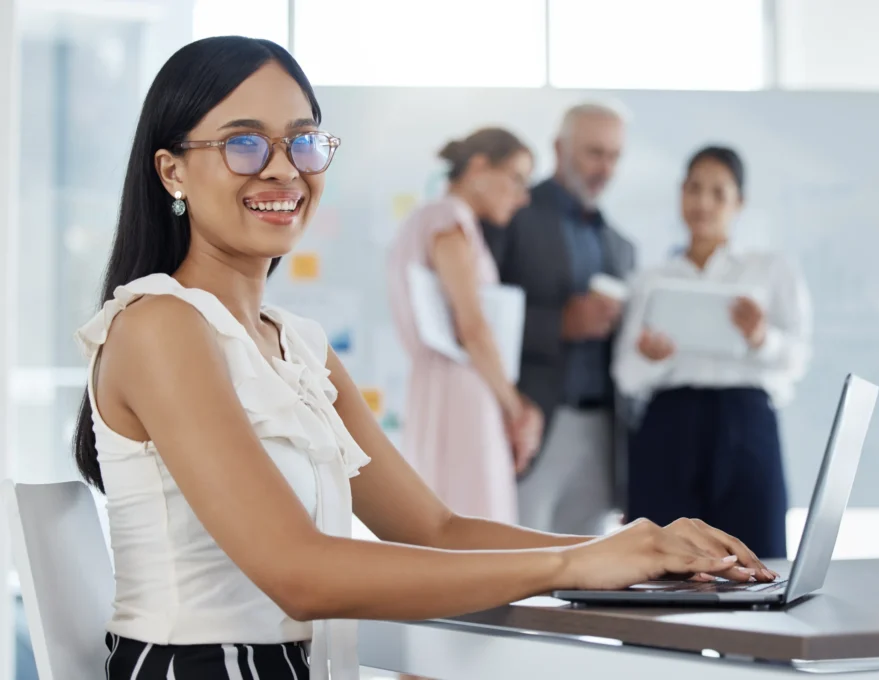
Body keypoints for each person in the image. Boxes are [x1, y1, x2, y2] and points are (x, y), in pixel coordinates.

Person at [72, 38, 774, 679]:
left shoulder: (297, 343)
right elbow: (298, 571)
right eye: (244, 143)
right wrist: (574, 562)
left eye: (303, 142)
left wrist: (635, 553)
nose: (285, 169)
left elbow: (435, 529)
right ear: (172, 172)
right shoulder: (160, 324)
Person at [613, 146, 812, 559]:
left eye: (718, 193)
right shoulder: (652, 279)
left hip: (747, 426)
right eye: (694, 189)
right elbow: (625, 375)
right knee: (658, 566)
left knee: (757, 561)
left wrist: (761, 337)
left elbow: (797, 359)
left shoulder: (772, 270)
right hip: (668, 428)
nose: (703, 203)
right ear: (680, 194)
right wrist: (651, 358)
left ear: (739, 202)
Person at [484, 103, 635, 536]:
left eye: (614, 156)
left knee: (589, 569)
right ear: (558, 148)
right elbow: (475, 316)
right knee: (520, 560)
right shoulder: (514, 215)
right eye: (594, 153)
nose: (604, 167)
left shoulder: (621, 244)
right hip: (533, 422)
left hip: (604, 432)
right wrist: (560, 324)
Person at [386, 127, 543, 525]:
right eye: (517, 179)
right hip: (462, 393)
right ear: (478, 167)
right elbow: (470, 326)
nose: (523, 197)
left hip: (438, 390)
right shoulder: (448, 219)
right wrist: (515, 408)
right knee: (473, 520)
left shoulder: (430, 220)